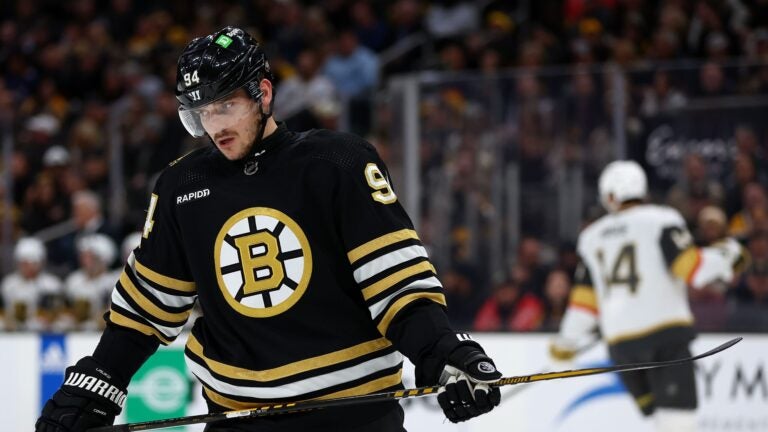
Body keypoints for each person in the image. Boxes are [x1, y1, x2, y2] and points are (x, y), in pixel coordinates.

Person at [35, 26, 501, 432]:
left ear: (263, 93)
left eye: (226, 106)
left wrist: (442, 352)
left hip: (354, 416)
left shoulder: (338, 163)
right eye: (202, 113)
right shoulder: (182, 186)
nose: (215, 126)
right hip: (238, 420)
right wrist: (99, 379)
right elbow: (145, 310)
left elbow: (396, 285)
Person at [549, 160, 736, 432]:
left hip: (623, 349)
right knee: (677, 419)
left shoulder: (591, 237)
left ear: (610, 196)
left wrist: (565, 343)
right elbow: (691, 269)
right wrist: (728, 256)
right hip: (665, 337)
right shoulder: (661, 220)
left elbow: (584, 305)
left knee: (657, 415)